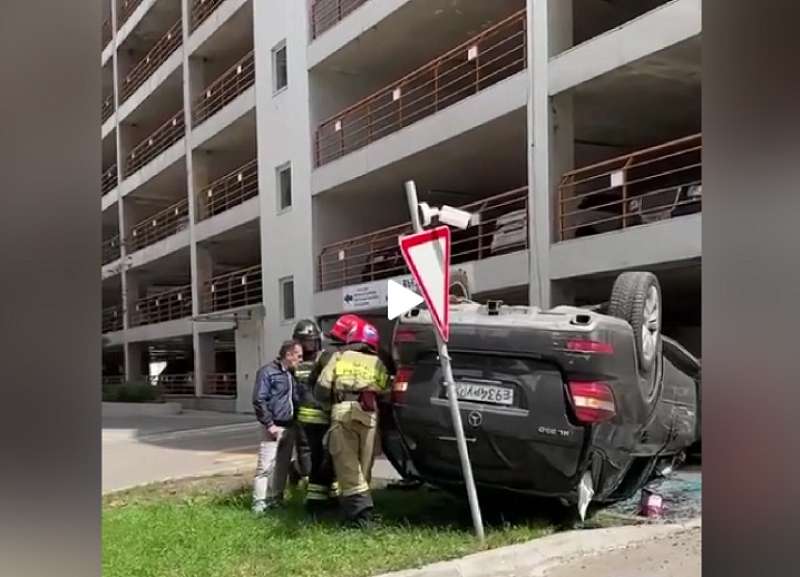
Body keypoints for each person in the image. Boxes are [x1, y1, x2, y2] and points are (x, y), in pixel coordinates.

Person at [316, 318, 389, 526]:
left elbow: (321, 388)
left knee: (347, 466)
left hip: (343, 412)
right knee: (364, 467)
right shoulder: (378, 363)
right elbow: (385, 391)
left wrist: (328, 406)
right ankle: (357, 513)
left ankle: (361, 515)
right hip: (369, 415)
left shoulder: (339, 357)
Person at [251, 339, 304, 514]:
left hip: (290, 425)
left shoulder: (291, 374)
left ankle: (276, 498)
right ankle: (259, 502)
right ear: (288, 355)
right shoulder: (268, 372)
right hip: (273, 427)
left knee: (282, 465)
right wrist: (269, 424)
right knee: (265, 466)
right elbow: (259, 399)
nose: (300, 360)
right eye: (298, 356)